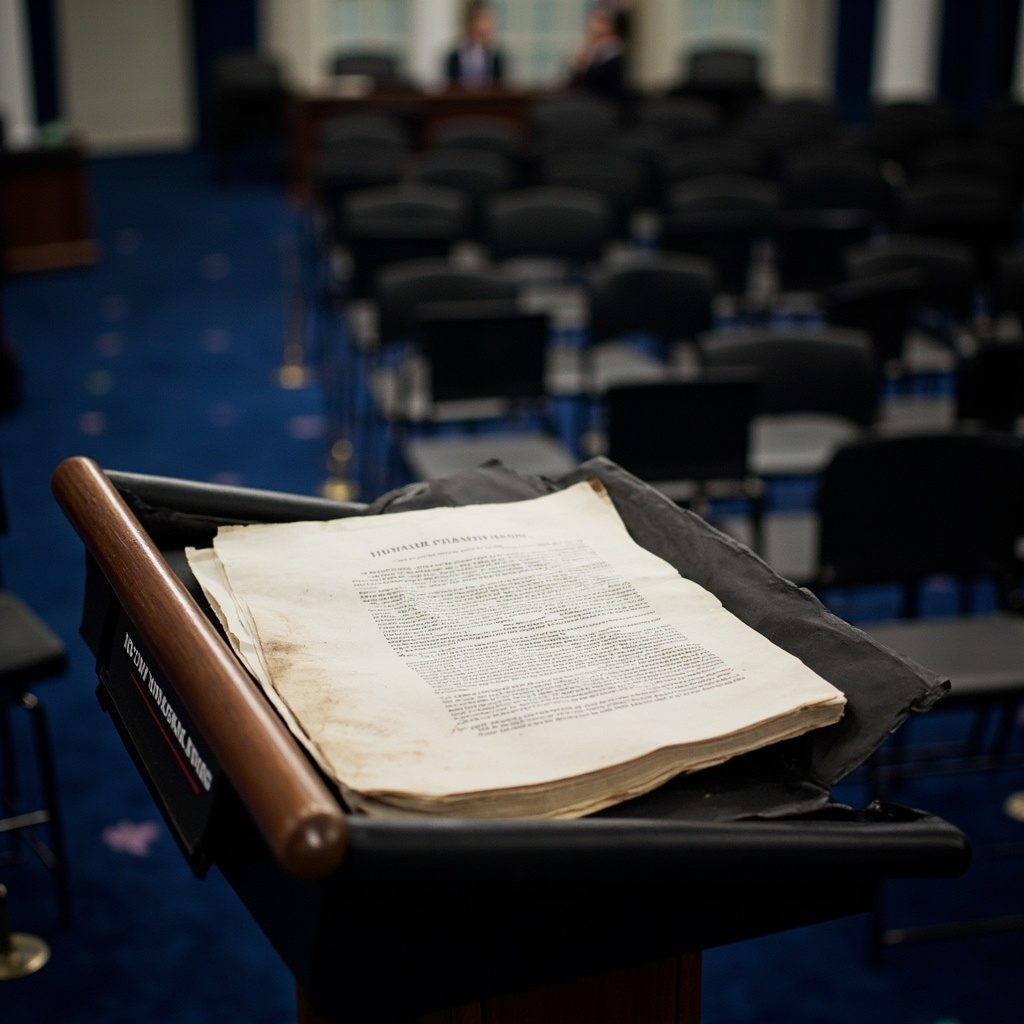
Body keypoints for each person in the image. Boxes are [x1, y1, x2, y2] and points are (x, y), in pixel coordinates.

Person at [568, 4, 629, 102]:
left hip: (608, 107)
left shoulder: (616, 55)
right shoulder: (594, 49)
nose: (592, 25)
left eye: (600, 21)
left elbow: (591, 84)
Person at [446, 2, 505, 89]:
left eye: (485, 21)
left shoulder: (496, 57)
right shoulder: (455, 57)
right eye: (478, 20)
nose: (481, 26)